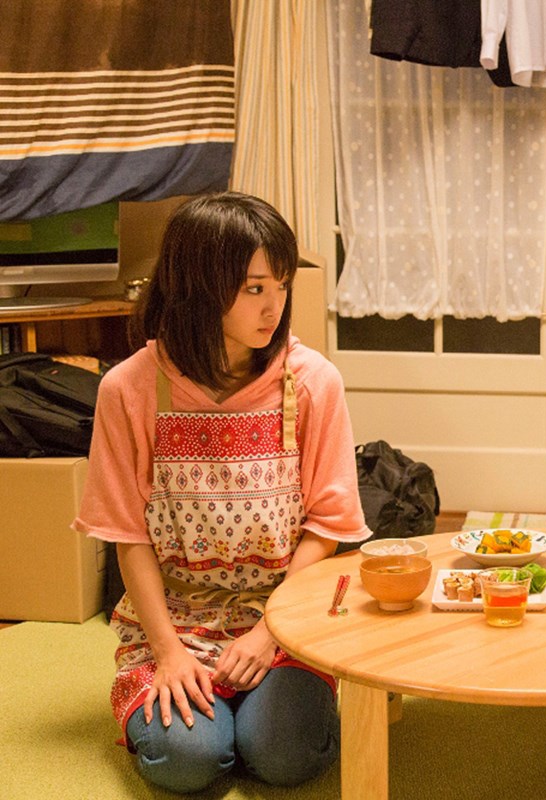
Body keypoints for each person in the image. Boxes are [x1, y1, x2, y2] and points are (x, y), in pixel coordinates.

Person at [72, 192, 370, 793]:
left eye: (281, 286)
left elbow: (327, 526)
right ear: (198, 286)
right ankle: (202, 715)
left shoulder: (313, 382)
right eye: (254, 288)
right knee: (190, 761)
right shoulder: (129, 389)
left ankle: (263, 715)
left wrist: (269, 632)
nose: (274, 306)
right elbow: (129, 537)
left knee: (284, 758)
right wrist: (169, 653)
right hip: (173, 622)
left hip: (284, 617)